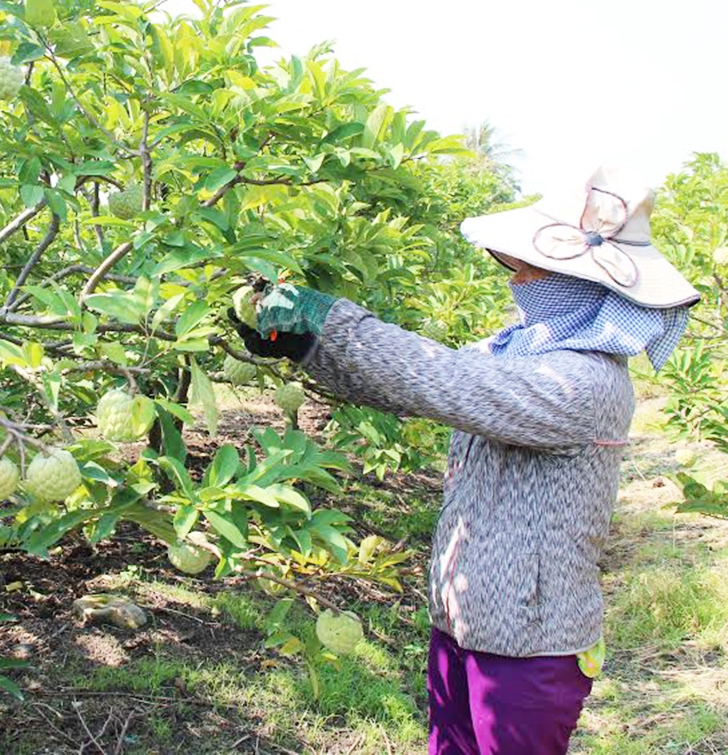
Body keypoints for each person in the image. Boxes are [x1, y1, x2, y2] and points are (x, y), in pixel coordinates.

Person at [232, 167, 700, 755]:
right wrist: (308, 348)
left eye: (533, 268)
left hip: (530, 645)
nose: (518, 280)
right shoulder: (515, 350)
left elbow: (443, 379)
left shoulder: (584, 382)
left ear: (580, 284)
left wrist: (329, 319)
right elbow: (405, 386)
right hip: (461, 621)